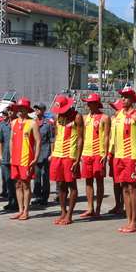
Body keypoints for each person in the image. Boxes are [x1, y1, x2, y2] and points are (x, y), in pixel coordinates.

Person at [107, 87, 136, 233]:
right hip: (119, 156)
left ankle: (134, 222)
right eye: (122, 97)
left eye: (125, 97)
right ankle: (128, 220)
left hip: (131, 156)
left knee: (132, 188)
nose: (123, 99)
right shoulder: (118, 115)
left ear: (132, 99)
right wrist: (110, 153)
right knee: (124, 188)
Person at [48, 95, 82, 225]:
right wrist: (52, 153)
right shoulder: (57, 117)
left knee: (71, 185)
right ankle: (62, 211)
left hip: (70, 156)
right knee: (60, 185)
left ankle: (70, 215)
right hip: (58, 155)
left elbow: (80, 139)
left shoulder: (77, 117)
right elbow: (56, 136)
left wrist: (77, 160)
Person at [9, 97, 40, 221]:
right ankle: (20, 210)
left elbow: (38, 141)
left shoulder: (32, 123)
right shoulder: (14, 122)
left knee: (26, 185)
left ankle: (26, 211)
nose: (21, 111)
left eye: (23, 109)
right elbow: (11, 140)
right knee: (17, 184)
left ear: (27, 110)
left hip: (26, 159)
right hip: (15, 159)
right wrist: (11, 156)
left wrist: (36, 157)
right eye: (19, 108)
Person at [79, 93, 109, 219]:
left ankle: (98, 208)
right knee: (88, 181)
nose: (88, 105)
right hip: (86, 153)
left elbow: (107, 136)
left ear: (97, 104)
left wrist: (105, 153)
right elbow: (81, 136)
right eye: (88, 103)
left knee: (99, 181)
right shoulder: (84, 118)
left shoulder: (104, 118)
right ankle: (90, 207)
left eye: (91, 102)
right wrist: (79, 153)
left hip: (98, 153)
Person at [32, 103, 54, 207]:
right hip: (35, 154)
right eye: (35, 108)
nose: (36, 110)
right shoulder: (32, 123)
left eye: (39, 109)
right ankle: (37, 196)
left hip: (45, 154)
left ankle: (44, 197)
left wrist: (52, 154)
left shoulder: (48, 124)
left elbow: (52, 140)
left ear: (44, 110)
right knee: (36, 176)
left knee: (45, 176)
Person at [0, 109, 17, 213]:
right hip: (5, 157)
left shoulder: (18, 123)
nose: (10, 112)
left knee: (17, 182)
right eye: (8, 111)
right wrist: (0, 155)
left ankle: (18, 202)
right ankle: (11, 201)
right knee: (8, 181)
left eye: (11, 110)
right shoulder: (2, 125)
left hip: (17, 157)